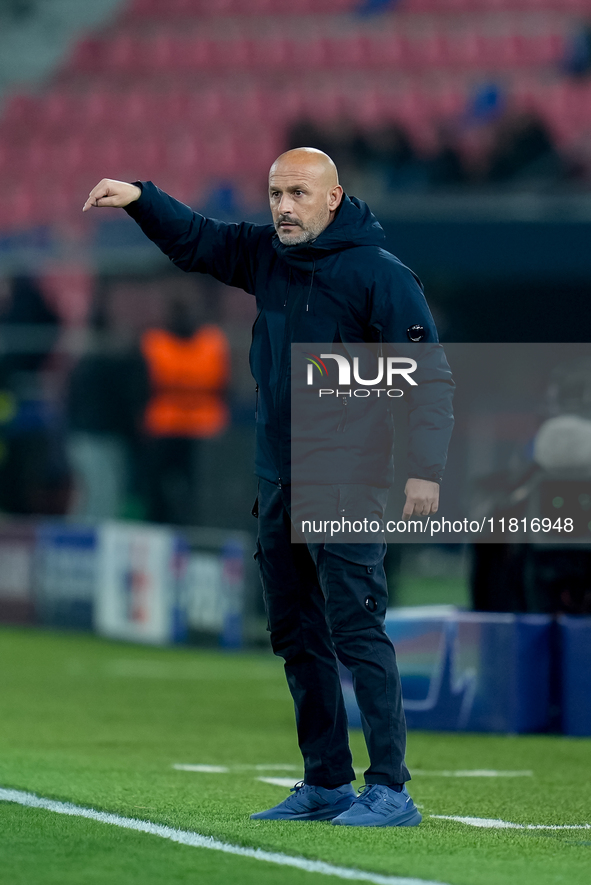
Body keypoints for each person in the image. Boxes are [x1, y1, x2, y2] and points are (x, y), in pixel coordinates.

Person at [83, 148, 454, 827]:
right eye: (276, 194)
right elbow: (197, 240)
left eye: (298, 195)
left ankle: (392, 787)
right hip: (278, 479)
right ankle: (326, 780)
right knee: (295, 633)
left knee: (355, 630)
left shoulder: (379, 274)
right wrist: (140, 196)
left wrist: (423, 469)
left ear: (333, 198)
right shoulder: (266, 255)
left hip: (347, 480)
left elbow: (426, 378)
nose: (283, 207)